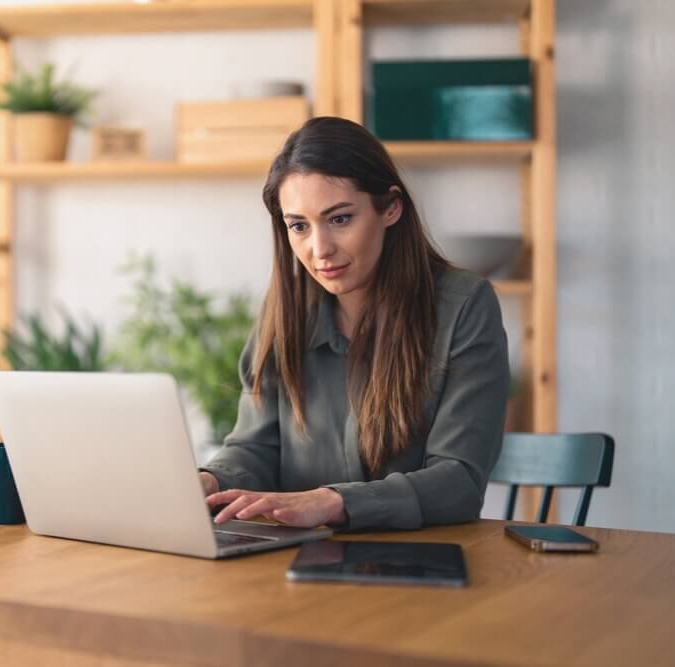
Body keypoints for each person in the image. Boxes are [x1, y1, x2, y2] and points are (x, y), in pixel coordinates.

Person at [198, 116, 510, 531]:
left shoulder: (464, 307)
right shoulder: (283, 312)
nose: (320, 249)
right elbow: (254, 449)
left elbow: (459, 480)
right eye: (299, 226)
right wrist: (209, 481)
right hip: (293, 563)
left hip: (419, 565)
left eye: (340, 219)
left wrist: (333, 503)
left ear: (391, 208)